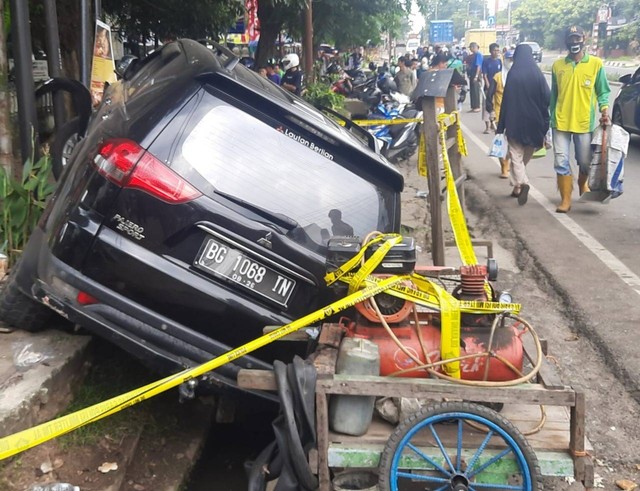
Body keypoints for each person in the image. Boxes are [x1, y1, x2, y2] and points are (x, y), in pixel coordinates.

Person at [550, 25, 611, 213]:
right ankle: (566, 199)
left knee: (585, 161)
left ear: (584, 39)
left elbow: (603, 92)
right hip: (560, 122)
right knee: (561, 161)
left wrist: (604, 110)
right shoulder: (557, 66)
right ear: (566, 42)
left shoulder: (595, 64)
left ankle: (581, 183)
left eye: (577, 39)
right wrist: (549, 120)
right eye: (571, 39)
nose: (574, 43)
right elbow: (554, 96)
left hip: (584, 123)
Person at [496, 43, 550, 206]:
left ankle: (521, 182)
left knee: (515, 156)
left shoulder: (513, 74)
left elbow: (505, 102)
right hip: (535, 124)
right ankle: (518, 187)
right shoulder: (537, 74)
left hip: (515, 122)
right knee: (524, 156)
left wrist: (501, 125)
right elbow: (547, 98)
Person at [486, 49, 514, 178]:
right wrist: (490, 110)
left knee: (514, 143)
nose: (511, 62)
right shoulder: (498, 77)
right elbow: (489, 95)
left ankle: (512, 167)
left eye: (513, 60)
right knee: (501, 142)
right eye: (509, 59)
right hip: (499, 114)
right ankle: (504, 168)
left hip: (515, 113)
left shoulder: (518, 76)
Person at [481, 43, 502, 133]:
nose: (496, 52)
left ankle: (494, 123)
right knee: (487, 106)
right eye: (494, 50)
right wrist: (488, 85)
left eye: (497, 50)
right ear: (490, 51)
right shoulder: (486, 61)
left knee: (496, 106)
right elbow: (484, 75)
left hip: (497, 89)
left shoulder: (499, 61)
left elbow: (501, 75)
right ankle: (487, 127)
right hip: (488, 87)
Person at [465, 42, 483, 112]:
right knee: (472, 90)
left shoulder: (478, 55)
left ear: (473, 47)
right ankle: (473, 106)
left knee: (475, 90)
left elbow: (478, 66)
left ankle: (477, 106)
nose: (470, 49)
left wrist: (476, 76)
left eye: (470, 48)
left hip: (476, 74)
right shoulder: (473, 55)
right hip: (472, 74)